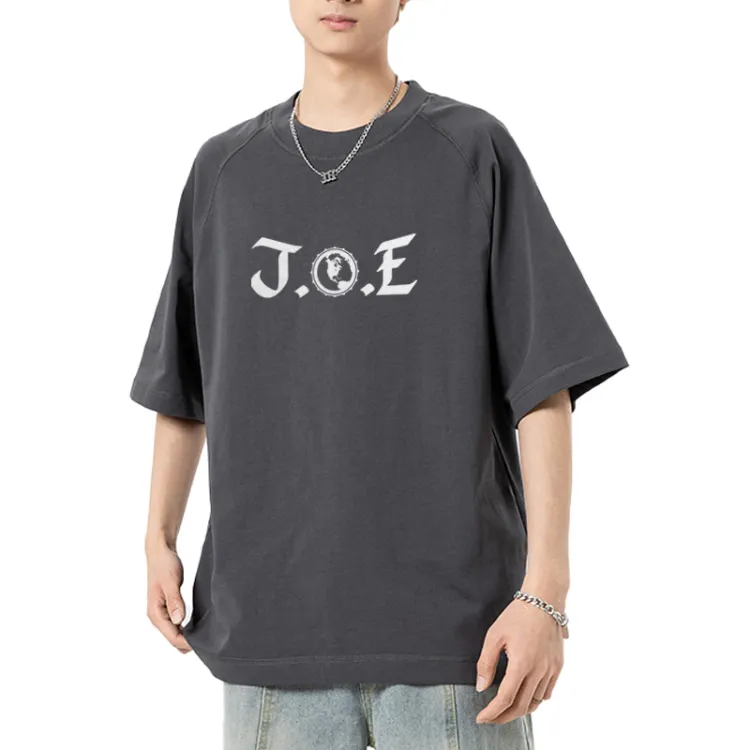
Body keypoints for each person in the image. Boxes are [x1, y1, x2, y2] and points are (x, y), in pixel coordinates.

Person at [131, 1, 629, 747]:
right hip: (273, 627)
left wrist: (545, 593)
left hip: (459, 636)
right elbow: (184, 383)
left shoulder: (470, 150)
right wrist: (157, 538)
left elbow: (543, 384)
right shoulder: (225, 172)